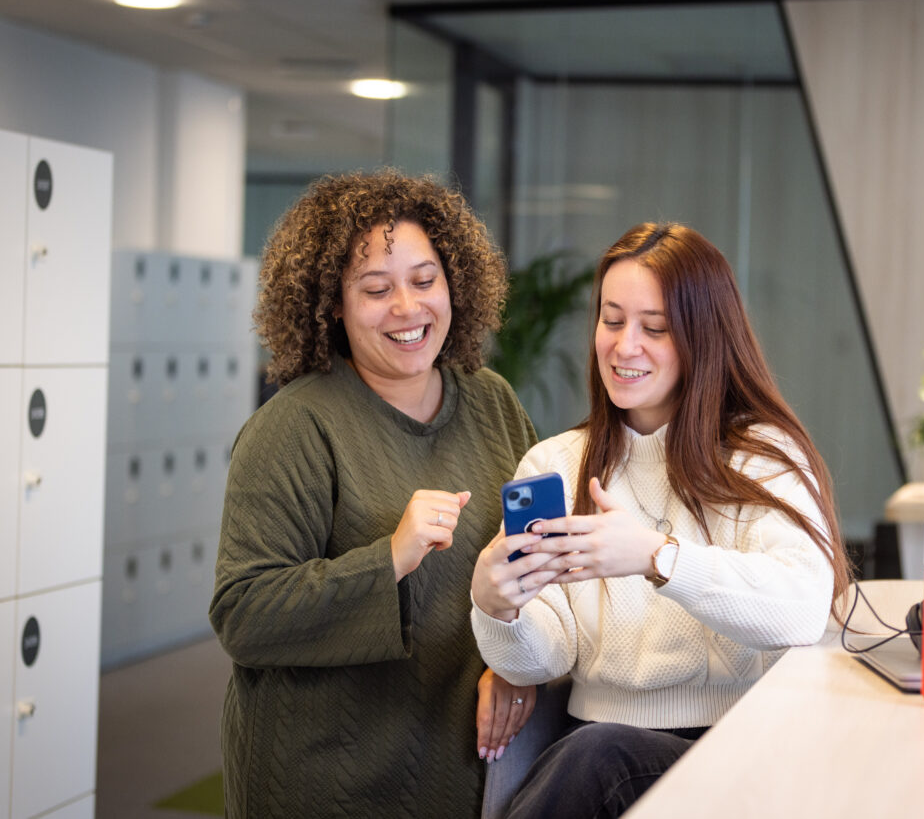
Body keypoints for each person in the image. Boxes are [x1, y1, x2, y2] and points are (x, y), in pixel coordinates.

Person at [470, 222, 853, 818]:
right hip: (590, 745)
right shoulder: (557, 464)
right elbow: (541, 658)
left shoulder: (761, 457)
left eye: (655, 328)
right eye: (611, 320)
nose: (624, 347)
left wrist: (656, 558)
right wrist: (499, 608)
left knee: (598, 755)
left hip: (733, 748)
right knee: (595, 751)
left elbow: (803, 607)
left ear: (704, 337)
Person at [210, 169, 540, 818]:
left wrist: (518, 663)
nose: (408, 308)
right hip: (333, 778)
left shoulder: (491, 401)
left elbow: (538, 559)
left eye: (424, 281)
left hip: (464, 768)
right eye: (375, 289)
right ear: (332, 302)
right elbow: (243, 614)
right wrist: (390, 556)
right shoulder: (294, 428)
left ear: (455, 284)